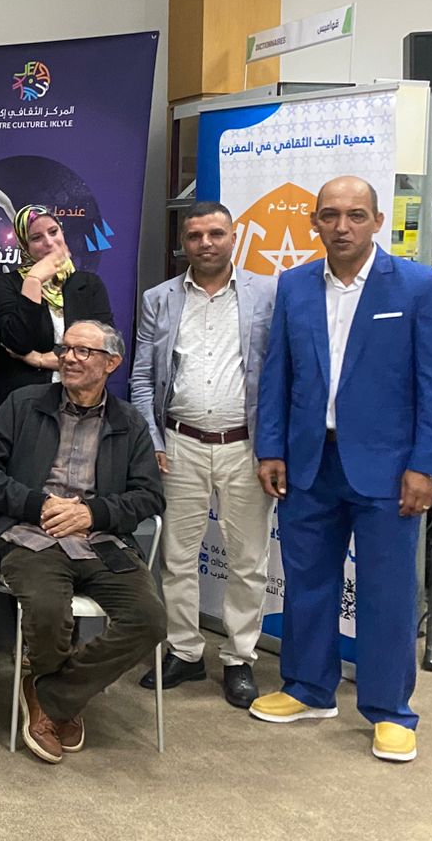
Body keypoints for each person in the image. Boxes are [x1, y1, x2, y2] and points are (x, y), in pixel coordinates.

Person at [250, 176, 432, 764]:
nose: (343, 227)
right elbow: (278, 375)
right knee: (307, 580)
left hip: (390, 470)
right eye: (331, 215)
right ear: (314, 221)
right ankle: (308, 688)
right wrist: (271, 449)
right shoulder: (294, 285)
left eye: (356, 215)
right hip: (310, 460)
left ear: (377, 221)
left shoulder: (419, 286)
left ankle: (391, 710)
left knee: (387, 591)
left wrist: (427, 466)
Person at [0, 320, 166, 766]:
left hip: (102, 542)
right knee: (47, 608)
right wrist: (36, 504)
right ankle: (60, 701)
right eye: (65, 348)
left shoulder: (129, 422)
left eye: (83, 351)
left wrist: (93, 513)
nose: (69, 358)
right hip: (31, 536)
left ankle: (52, 695)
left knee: (149, 619)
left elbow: (150, 497)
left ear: (112, 363)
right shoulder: (23, 404)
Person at [131, 201, 275, 709]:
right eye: (195, 236)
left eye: (216, 233)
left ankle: (239, 658)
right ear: (183, 242)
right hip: (180, 444)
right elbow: (143, 377)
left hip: (246, 446)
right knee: (177, 557)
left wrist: (273, 447)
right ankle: (185, 651)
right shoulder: (159, 299)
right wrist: (153, 441)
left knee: (248, 560)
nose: (206, 243)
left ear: (234, 237)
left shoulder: (267, 294)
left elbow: (281, 374)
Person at [0, 204, 113, 420]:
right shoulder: (7, 284)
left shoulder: (89, 285)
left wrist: (39, 359)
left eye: (53, 231)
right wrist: (33, 281)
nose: (49, 242)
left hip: (79, 401)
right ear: (25, 245)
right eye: (36, 238)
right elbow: (18, 343)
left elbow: (103, 350)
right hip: (19, 406)